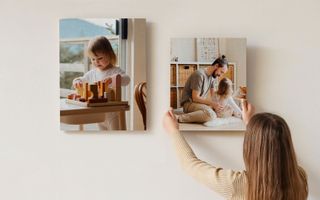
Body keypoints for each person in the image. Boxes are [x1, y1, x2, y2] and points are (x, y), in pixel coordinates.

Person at [163, 101, 308, 200]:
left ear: (251, 147)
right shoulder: (300, 178)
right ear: (288, 143)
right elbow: (273, 149)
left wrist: (173, 131)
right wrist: (251, 125)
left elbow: (190, 165)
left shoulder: (237, 184)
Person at [73, 36, 130, 130]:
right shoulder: (92, 73)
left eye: (99, 58)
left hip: (113, 113)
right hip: (99, 115)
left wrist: (113, 79)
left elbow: (127, 79)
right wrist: (77, 81)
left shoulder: (115, 71)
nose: (96, 62)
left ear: (110, 54)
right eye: (93, 59)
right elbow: (82, 79)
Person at [176, 55, 228, 123]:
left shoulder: (212, 77)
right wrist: (213, 104)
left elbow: (213, 95)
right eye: (221, 72)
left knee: (222, 112)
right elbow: (195, 98)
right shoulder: (199, 75)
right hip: (189, 104)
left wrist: (220, 103)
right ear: (216, 66)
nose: (220, 75)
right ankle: (178, 118)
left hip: (199, 104)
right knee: (211, 115)